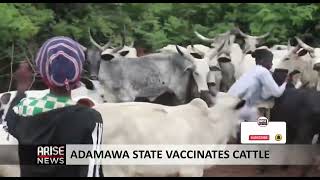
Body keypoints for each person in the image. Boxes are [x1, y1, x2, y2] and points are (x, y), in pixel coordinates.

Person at [5, 36, 104, 177]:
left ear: (43, 75)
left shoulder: (23, 111)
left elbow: (9, 121)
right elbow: (91, 172)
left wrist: (21, 88)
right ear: (78, 75)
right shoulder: (90, 118)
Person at [228, 47, 288, 122]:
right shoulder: (263, 71)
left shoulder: (251, 71)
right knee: (259, 124)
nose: (272, 64)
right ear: (262, 61)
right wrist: (286, 81)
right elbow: (277, 93)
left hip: (231, 104)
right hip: (240, 107)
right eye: (270, 61)